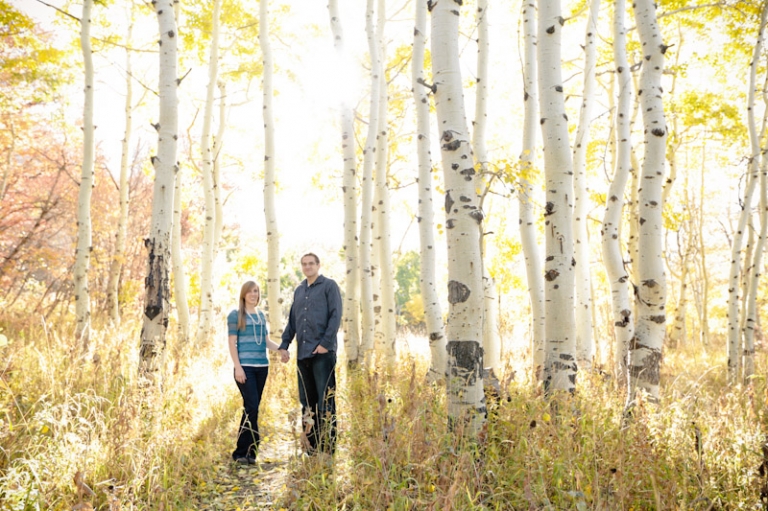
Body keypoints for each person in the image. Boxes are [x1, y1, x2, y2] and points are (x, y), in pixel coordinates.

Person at [278, 253, 342, 455]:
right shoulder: (299, 291)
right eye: (304, 264)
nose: (307, 267)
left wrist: (325, 343)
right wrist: (284, 344)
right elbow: (293, 322)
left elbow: (336, 315)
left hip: (323, 354)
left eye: (311, 264)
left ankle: (328, 448)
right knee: (307, 402)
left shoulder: (329, 286)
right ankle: (311, 447)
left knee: (326, 402)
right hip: (303, 354)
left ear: (318, 265)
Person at [227, 280, 281, 465]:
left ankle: (248, 453)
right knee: (252, 407)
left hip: (262, 368)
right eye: (250, 291)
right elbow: (232, 343)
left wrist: (281, 349)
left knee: (252, 408)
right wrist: (238, 367)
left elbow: (266, 341)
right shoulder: (235, 315)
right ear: (243, 294)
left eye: (256, 291)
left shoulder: (261, 316)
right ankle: (243, 451)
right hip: (245, 367)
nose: (253, 294)